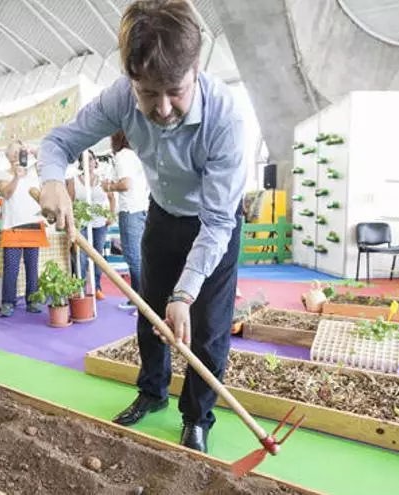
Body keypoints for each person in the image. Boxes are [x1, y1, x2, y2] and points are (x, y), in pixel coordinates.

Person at [38, 0, 245, 453]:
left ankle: (197, 417)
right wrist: (52, 179)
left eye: (175, 91)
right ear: (131, 79)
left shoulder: (225, 119)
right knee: (150, 312)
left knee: (207, 329)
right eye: (148, 93)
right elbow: (59, 142)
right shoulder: (120, 97)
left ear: (195, 69)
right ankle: (152, 392)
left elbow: (217, 222)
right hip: (162, 215)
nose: (163, 108)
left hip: (214, 226)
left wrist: (184, 295)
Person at [0, 142, 48, 317]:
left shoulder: (33, 171)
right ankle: (8, 302)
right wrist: (16, 177)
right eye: (15, 152)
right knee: (11, 268)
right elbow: (6, 193)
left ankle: (32, 300)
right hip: (12, 227)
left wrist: (33, 149)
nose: (19, 154)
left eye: (21, 151)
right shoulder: (1, 175)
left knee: (32, 267)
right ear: (9, 156)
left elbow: (47, 158)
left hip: (34, 225)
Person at [102, 131, 149, 311]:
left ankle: (141, 301)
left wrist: (109, 186)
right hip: (143, 208)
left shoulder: (122, 155)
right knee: (141, 257)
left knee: (133, 257)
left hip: (130, 210)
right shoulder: (138, 155)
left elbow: (126, 184)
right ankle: (140, 298)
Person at [67, 149, 115, 300]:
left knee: (97, 257)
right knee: (81, 257)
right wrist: (72, 222)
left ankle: (97, 287)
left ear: (95, 162)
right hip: (81, 224)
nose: (88, 162)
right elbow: (69, 202)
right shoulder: (73, 181)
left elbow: (112, 198)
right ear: (81, 163)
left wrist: (111, 215)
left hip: (100, 224)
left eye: (91, 159)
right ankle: (79, 289)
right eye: (85, 159)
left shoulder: (103, 180)